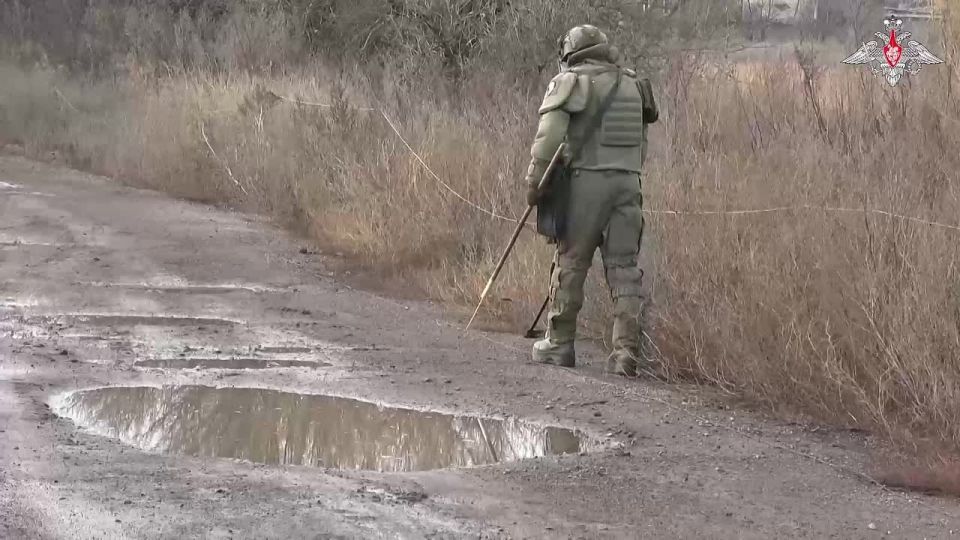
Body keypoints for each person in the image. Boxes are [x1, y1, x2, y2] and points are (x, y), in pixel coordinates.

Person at [523, 24, 659, 377]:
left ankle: (559, 343)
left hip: (586, 185)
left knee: (570, 262)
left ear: (569, 54)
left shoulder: (570, 83)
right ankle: (626, 352)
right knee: (625, 269)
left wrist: (534, 185)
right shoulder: (634, 85)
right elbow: (641, 144)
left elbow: (547, 141)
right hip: (629, 186)